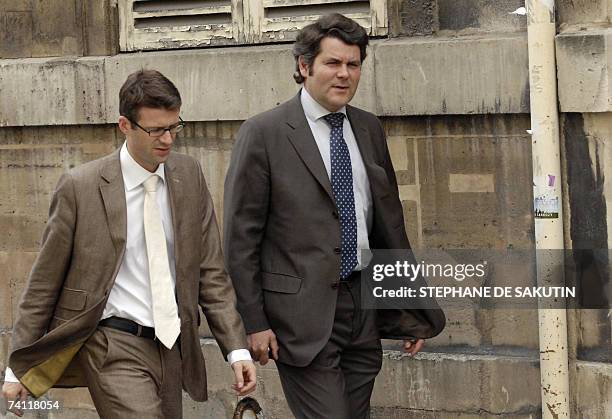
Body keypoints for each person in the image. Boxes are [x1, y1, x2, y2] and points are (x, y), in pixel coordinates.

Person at [223, 13, 445, 419]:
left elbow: (387, 228)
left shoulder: (368, 129)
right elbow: (240, 241)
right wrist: (253, 323)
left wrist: (409, 308)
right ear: (304, 66)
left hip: (363, 306)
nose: (344, 74)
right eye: (333, 63)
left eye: (353, 64)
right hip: (300, 318)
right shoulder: (264, 134)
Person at [2, 69, 256, 418]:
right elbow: (43, 283)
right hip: (111, 344)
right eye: (155, 130)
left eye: (174, 126)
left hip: (172, 346)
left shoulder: (189, 175)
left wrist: (236, 350)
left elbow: (211, 271)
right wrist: (17, 369)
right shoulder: (81, 187)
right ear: (125, 125)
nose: (168, 139)